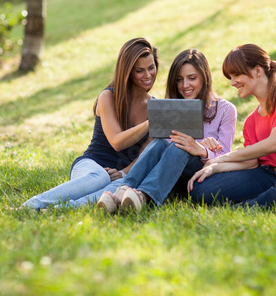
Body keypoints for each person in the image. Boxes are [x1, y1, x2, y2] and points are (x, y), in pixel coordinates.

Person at [21, 37, 158, 210]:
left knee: (121, 186)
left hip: (119, 175)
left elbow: (147, 151)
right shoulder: (108, 97)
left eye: (151, 68)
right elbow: (117, 141)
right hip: (91, 167)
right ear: (128, 72)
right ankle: (31, 205)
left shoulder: (155, 105)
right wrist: (149, 123)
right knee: (100, 177)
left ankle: (57, 210)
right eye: (140, 70)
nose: (148, 75)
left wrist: (124, 172)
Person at [96, 48, 237, 213]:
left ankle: (142, 196)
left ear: (204, 78)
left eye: (192, 78)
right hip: (171, 177)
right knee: (160, 142)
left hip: (202, 177)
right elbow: (159, 152)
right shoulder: (172, 109)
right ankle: (123, 190)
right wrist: (123, 172)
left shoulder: (226, 110)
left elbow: (226, 156)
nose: (185, 86)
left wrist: (200, 150)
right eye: (179, 80)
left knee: (181, 145)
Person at [187, 44, 276, 208]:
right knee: (200, 190)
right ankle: (263, 201)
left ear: (257, 71)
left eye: (237, 75)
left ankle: (248, 207)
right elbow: (250, 162)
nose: (232, 82)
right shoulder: (251, 121)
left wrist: (221, 158)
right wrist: (215, 168)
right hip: (265, 175)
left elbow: (274, 144)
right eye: (230, 77)